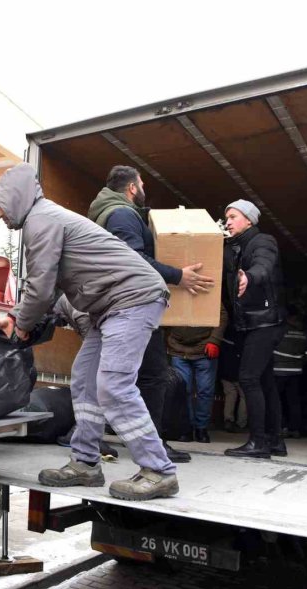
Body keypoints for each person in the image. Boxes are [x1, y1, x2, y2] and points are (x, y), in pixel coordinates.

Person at [0, 163, 178, 502]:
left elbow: (41, 286)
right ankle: (85, 463)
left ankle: (159, 470)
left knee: (114, 384)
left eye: (0, 204)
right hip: (107, 307)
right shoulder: (45, 219)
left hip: (132, 298)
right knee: (84, 379)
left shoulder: (41, 220)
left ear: (16, 199)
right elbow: (48, 293)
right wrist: (18, 317)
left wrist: (20, 324)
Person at [87, 165, 215, 463]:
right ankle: (152, 444)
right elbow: (132, 259)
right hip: (132, 304)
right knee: (154, 375)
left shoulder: (110, 213)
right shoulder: (121, 214)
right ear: (132, 187)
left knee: (116, 377)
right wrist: (176, 275)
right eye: (142, 183)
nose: (143, 188)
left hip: (115, 304)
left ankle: (106, 439)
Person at [221, 199, 287, 459]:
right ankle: (276, 441)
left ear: (249, 220)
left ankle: (258, 442)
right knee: (265, 380)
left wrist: (250, 276)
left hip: (265, 321)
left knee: (248, 378)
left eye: (233, 216)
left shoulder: (261, 241)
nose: (228, 221)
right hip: (253, 322)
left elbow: (263, 265)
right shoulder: (233, 246)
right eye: (226, 217)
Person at [51, 294, 118, 458]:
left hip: (101, 333)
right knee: (89, 381)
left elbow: (92, 338)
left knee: (90, 381)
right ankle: (87, 436)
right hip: (101, 331)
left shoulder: (71, 306)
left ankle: (87, 436)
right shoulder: (75, 306)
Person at [166, 305, 228, 443]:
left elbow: (222, 315)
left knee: (205, 391)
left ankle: (201, 428)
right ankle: (186, 428)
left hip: (204, 348)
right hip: (178, 348)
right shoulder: (176, 289)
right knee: (183, 391)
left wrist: (214, 340)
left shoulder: (208, 289)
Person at [273, 306, 307, 438]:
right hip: (296, 371)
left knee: (277, 400)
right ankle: (294, 429)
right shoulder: (304, 332)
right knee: (294, 401)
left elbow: (269, 348)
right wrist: (299, 362)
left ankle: (279, 427)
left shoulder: (280, 330)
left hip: (278, 371)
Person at [219, 323, 247, 432]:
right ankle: (241, 423)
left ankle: (228, 420)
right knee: (245, 397)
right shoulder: (245, 336)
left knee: (230, 394)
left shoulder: (225, 334)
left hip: (226, 370)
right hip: (240, 371)